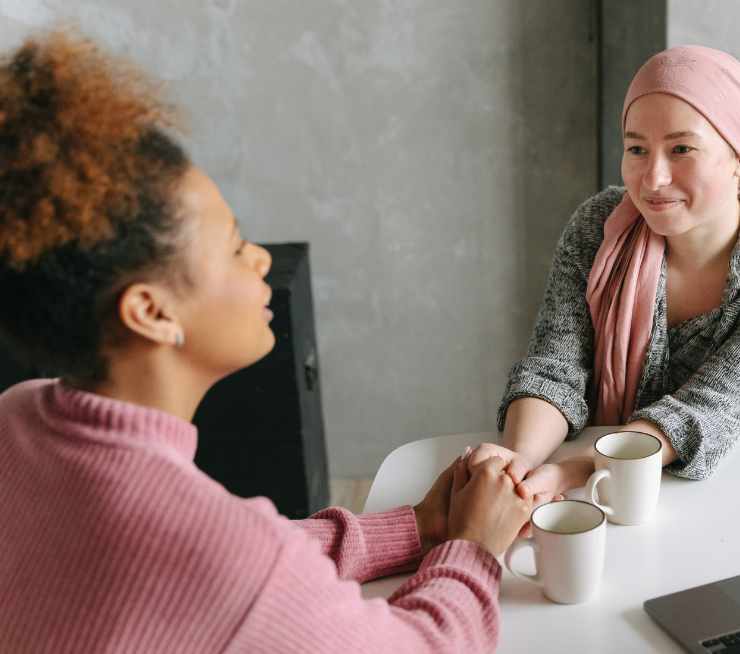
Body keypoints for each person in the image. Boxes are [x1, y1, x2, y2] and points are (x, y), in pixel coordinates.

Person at [0, 31, 533, 653]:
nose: (257, 259)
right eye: (231, 246)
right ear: (150, 311)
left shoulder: (18, 416)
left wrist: (418, 526)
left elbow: (249, 568)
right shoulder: (212, 549)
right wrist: (473, 547)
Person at [469, 45, 740, 505]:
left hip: (737, 495)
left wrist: (570, 472)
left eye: (682, 148)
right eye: (636, 149)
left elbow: (711, 408)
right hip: (605, 496)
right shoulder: (600, 226)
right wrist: (519, 465)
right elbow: (555, 370)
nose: (652, 179)